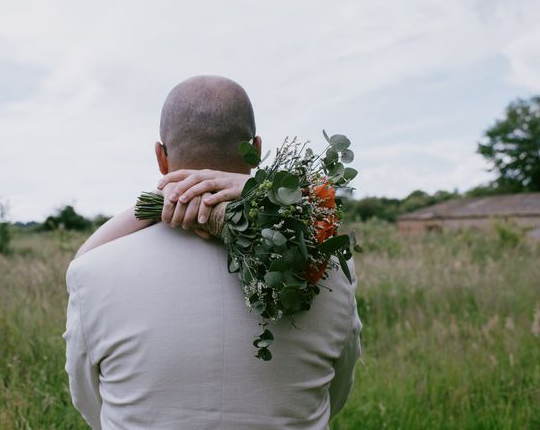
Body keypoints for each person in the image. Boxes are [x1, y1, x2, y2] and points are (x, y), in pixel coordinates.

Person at [63, 75, 362, 429]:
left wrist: (172, 195)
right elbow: (336, 393)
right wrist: (254, 190)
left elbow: (90, 403)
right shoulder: (325, 269)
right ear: (257, 149)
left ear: (160, 156)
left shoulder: (93, 274)